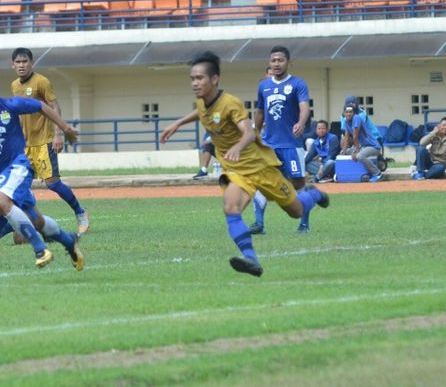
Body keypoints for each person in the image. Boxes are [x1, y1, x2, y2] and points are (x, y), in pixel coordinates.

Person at [160, 51, 329, 277]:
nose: (195, 83)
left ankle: (314, 194)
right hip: (236, 171)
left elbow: (249, 133)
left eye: (199, 78)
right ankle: (251, 259)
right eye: (192, 78)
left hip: (260, 167)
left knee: (295, 211)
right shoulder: (202, 102)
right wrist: (178, 124)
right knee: (231, 207)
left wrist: (238, 147)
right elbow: (200, 112)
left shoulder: (231, 104)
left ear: (214, 79)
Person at [0, 62, 83, 269]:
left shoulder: (9, 106)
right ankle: (68, 241)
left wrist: (64, 128)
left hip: (18, 167)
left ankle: (40, 249)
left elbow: (41, 106)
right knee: (37, 221)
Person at [10, 48, 90, 234]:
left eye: (25, 61)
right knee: (20, 184)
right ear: (12, 65)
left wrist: (58, 133)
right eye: (18, 62)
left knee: (53, 183)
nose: (21, 65)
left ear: (32, 63)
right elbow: (19, 112)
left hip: (44, 140)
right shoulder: (15, 85)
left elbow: (54, 106)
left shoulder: (42, 82)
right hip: (25, 144)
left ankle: (80, 213)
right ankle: (25, 223)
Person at [251, 46, 312, 234]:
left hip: (291, 144)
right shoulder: (264, 86)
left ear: (288, 62)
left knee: (298, 184)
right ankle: (259, 224)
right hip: (270, 144)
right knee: (261, 182)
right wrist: (256, 134)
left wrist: (301, 122)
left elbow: (305, 107)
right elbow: (260, 112)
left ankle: (304, 224)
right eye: (273, 60)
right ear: (269, 63)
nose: (276, 64)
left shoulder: (297, 84)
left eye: (280, 60)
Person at [339, 104, 383, 182]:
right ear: (344, 113)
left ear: (354, 113)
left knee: (359, 156)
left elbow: (355, 136)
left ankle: (378, 173)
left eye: (351, 112)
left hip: (373, 147)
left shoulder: (357, 118)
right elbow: (346, 138)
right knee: (346, 152)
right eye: (347, 112)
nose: (349, 114)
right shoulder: (345, 121)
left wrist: (357, 150)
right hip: (364, 147)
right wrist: (344, 151)